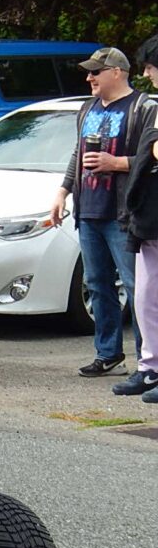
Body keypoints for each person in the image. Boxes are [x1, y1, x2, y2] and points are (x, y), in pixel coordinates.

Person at [49, 47, 156, 377]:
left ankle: (148, 363)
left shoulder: (144, 107)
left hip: (125, 213)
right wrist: (63, 191)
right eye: (89, 72)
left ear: (117, 72)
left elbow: (152, 160)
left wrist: (117, 163)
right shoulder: (87, 108)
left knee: (139, 289)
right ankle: (108, 354)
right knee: (97, 284)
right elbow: (77, 154)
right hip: (89, 211)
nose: (89, 78)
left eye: (96, 72)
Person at [113, 36, 158, 401]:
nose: (146, 73)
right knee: (145, 297)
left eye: (151, 66)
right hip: (148, 218)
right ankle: (150, 367)